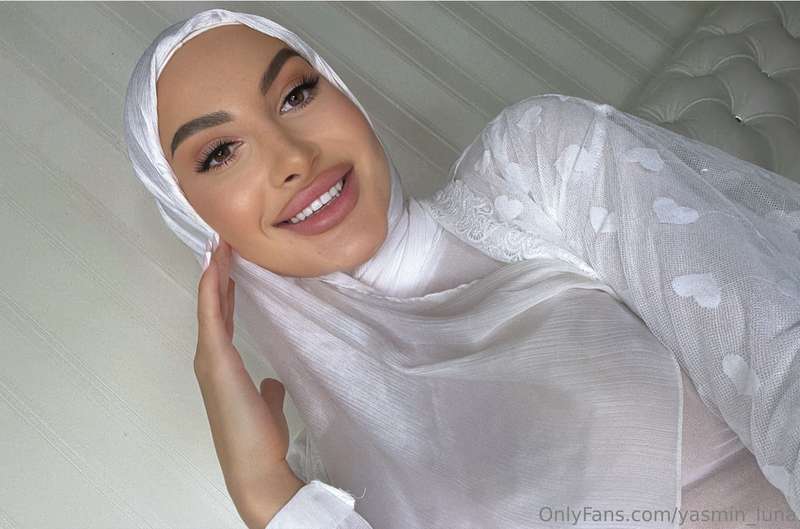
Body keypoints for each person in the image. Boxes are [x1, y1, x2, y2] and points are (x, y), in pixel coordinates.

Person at [124, 8, 800, 529]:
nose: (293, 156)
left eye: (297, 94)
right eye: (220, 154)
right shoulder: (325, 483)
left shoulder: (536, 170)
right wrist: (266, 493)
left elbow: (781, 358)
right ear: (192, 218)